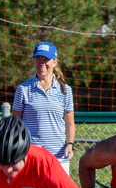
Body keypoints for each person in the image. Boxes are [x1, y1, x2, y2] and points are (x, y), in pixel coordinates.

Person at [12, 41, 75, 174]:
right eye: (38, 59)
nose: (42, 64)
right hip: (31, 155)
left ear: (54, 62)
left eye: (45, 59)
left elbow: (70, 123)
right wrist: (19, 148)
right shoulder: (23, 89)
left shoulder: (65, 90)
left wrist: (70, 144)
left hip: (59, 156)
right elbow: (15, 123)